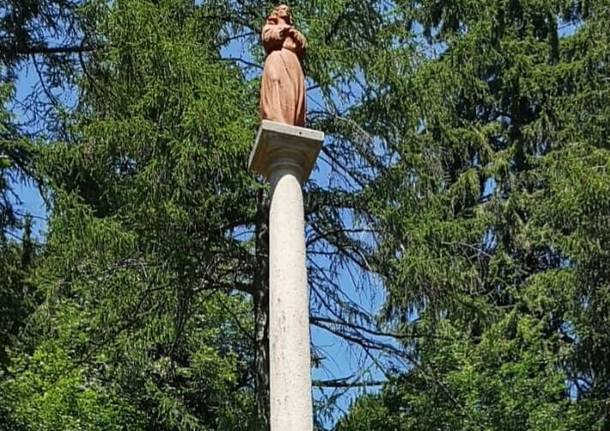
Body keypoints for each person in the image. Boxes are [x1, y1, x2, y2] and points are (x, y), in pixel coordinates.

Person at [260, 4, 307, 126]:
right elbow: (267, 38)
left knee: (292, 90)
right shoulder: (270, 27)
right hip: (277, 58)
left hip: (292, 61)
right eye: (282, 8)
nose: (285, 10)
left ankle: (292, 120)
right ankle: (276, 117)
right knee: (275, 81)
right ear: (277, 12)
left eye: (287, 9)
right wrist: (283, 30)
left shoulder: (294, 31)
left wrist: (295, 35)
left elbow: (303, 46)